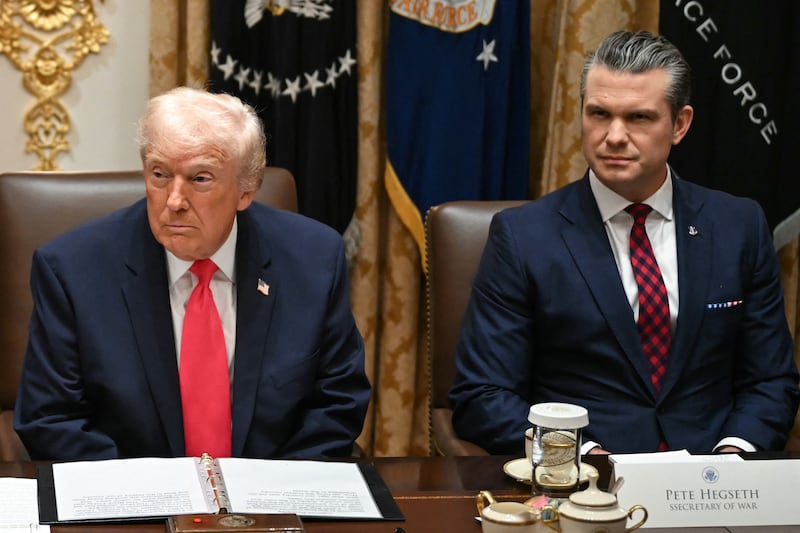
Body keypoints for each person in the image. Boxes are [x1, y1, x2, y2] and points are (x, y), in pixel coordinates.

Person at [449, 30, 800, 456]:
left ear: (680, 124)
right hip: (586, 476)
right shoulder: (523, 237)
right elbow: (482, 395)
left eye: (639, 118)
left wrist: (733, 456)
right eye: (599, 114)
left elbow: (770, 381)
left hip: (712, 471)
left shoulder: (738, 226)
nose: (614, 135)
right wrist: (581, 458)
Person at [13, 87, 371, 460]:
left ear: (246, 190)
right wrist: (150, 490)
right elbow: (50, 419)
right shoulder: (73, 270)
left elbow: (338, 400)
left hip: (271, 489)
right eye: (159, 174)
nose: (174, 201)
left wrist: (272, 488)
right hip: (131, 489)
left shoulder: (312, 260)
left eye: (200, 179)